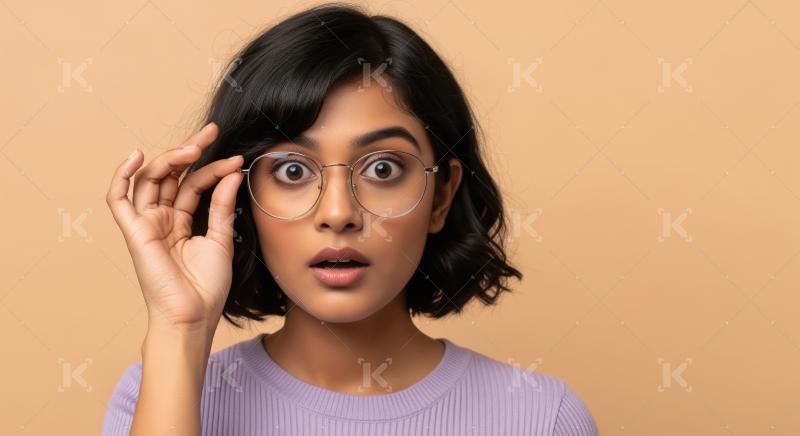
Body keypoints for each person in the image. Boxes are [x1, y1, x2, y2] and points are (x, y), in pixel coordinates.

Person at [101, 3, 599, 435]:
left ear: (441, 195)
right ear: (241, 194)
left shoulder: (541, 418)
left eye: (383, 168)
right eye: (292, 170)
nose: (338, 214)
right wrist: (179, 328)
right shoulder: (160, 391)